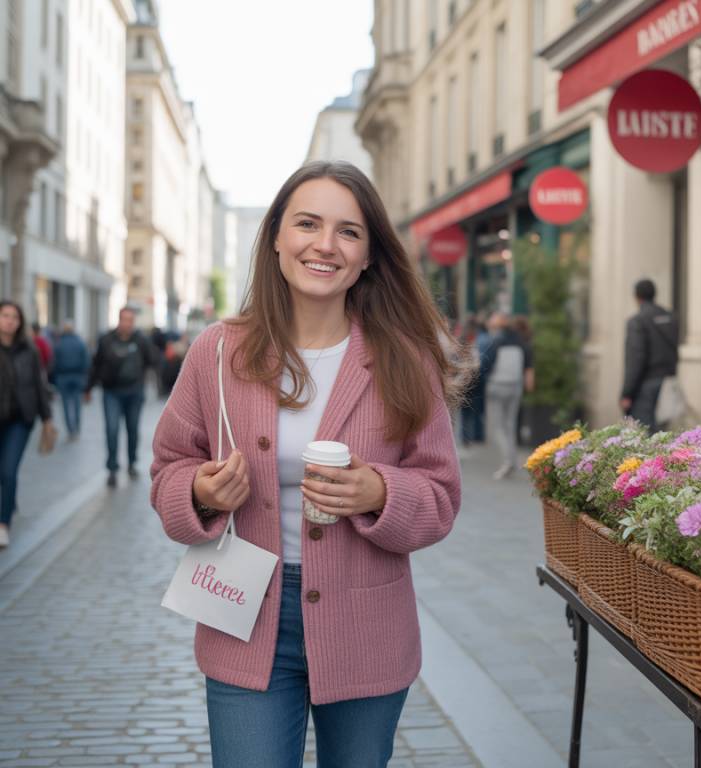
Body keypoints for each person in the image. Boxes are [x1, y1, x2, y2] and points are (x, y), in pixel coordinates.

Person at [150, 161, 462, 768]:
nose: (326, 244)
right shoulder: (217, 351)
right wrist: (201, 492)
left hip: (365, 621)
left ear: (369, 255)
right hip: (243, 612)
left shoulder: (404, 359)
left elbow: (441, 496)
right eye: (308, 224)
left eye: (348, 231)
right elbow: (167, 471)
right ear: (275, 237)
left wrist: (380, 491)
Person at [0, 301, 56, 548]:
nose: (10, 320)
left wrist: (46, 418)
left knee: (8, 472)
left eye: (14, 316)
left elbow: (39, 385)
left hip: (20, 420)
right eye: (5, 315)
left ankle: (3, 525)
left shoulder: (29, 350)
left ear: (20, 322)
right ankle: (8, 503)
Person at [85, 306, 156, 487]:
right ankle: (112, 468)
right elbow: (96, 364)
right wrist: (88, 388)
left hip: (134, 393)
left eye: (130, 320)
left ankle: (132, 462)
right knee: (112, 429)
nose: (126, 323)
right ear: (118, 320)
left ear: (133, 322)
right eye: (123, 319)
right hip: (111, 393)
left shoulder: (141, 340)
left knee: (132, 429)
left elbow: (153, 361)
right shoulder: (106, 340)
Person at [620, 278, 679, 432]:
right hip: (668, 382)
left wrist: (627, 393)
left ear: (637, 297)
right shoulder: (671, 317)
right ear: (654, 294)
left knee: (645, 435)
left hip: (645, 386)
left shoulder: (637, 321)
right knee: (664, 434)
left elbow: (635, 358)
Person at [480, 311, 534, 479]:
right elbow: (528, 368)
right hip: (515, 387)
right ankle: (512, 459)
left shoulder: (495, 340)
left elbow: (485, 365)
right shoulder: (521, 342)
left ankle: (508, 460)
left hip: (497, 386)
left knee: (497, 427)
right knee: (510, 425)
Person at [52, 321, 90, 440]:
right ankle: (77, 428)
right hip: (77, 377)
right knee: (77, 403)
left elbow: (54, 363)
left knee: (65, 405)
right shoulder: (80, 343)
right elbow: (86, 362)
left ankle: (71, 430)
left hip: (63, 377)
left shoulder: (59, 344)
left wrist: (54, 379)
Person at [459, 314, 490, 447]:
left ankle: (465, 436)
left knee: (465, 411)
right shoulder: (478, 341)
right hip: (475, 379)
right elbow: (480, 362)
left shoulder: (460, 340)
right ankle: (476, 435)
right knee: (476, 409)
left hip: (463, 379)